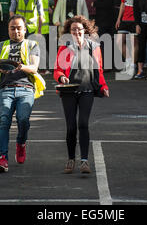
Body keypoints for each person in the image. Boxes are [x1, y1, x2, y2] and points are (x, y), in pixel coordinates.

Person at [0, 15, 45, 173]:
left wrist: (19, 66)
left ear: (25, 29)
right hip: (6, 89)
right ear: (8, 30)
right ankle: (2, 158)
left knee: (23, 120)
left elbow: (34, 68)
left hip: (25, 89)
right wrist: (2, 68)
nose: (16, 31)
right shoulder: (0, 46)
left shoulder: (32, 45)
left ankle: (21, 143)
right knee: (4, 121)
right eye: (12, 28)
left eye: (19, 28)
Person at [54, 16, 109, 174]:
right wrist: (61, 77)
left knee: (83, 124)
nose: (76, 32)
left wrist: (104, 86)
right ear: (69, 32)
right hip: (68, 92)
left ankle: (84, 161)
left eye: (79, 29)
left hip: (87, 90)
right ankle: (71, 159)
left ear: (85, 30)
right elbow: (57, 69)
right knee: (71, 127)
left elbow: (98, 70)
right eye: (73, 29)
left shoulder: (94, 47)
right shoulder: (64, 47)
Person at [115, 0, 141, 76]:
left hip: (135, 19)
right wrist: (118, 18)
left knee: (134, 43)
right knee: (119, 42)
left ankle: (132, 66)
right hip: (125, 18)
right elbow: (123, 3)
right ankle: (129, 62)